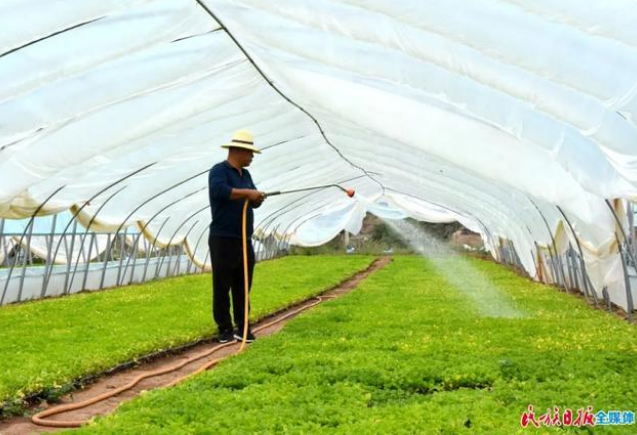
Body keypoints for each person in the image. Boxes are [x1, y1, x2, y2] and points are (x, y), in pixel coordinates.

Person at [208, 130, 266, 343]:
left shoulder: (246, 176)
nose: (252, 157)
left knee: (243, 284)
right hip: (223, 238)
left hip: (244, 239)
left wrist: (256, 199)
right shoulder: (219, 171)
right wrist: (247, 193)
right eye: (250, 153)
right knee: (222, 285)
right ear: (238, 151)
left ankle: (242, 328)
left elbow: (250, 200)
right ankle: (224, 329)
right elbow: (220, 191)